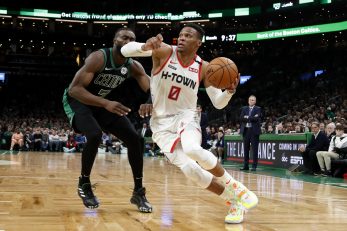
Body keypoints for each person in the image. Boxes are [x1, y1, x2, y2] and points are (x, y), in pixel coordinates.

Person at [121, 23, 258, 224]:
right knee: (191, 171)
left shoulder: (205, 67)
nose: (182, 38)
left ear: (198, 42)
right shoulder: (164, 50)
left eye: (188, 35)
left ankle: (235, 186)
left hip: (186, 116)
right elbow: (125, 50)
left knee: (193, 149)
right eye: (181, 35)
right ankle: (234, 201)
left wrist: (229, 91)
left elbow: (218, 103)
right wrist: (144, 46)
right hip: (160, 124)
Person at [62, 28, 152, 212]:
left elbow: (153, 87)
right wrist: (105, 103)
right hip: (78, 101)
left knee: (136, 139)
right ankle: (84, 184)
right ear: (114, 40)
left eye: (132, 39)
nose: (128, 40)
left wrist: (150, 101)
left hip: (102, 104)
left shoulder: (134, 66)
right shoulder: (99, 58)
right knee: (94, 135)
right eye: (124, 37)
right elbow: (74, 90)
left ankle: (138, 192)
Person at [239, 95, 262, 171]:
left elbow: (256, 118)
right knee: (246, 149)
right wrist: (250, 117)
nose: (251, 101)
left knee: (255, 149)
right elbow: (241, 118)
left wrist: (247, 117)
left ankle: (254, 166)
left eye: (253, 100)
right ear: (248, 100)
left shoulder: (258, 109)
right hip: (246, 130)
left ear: (255, 101)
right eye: (250, 100)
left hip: (254, 131)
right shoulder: (244, 108)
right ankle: (246, 165)